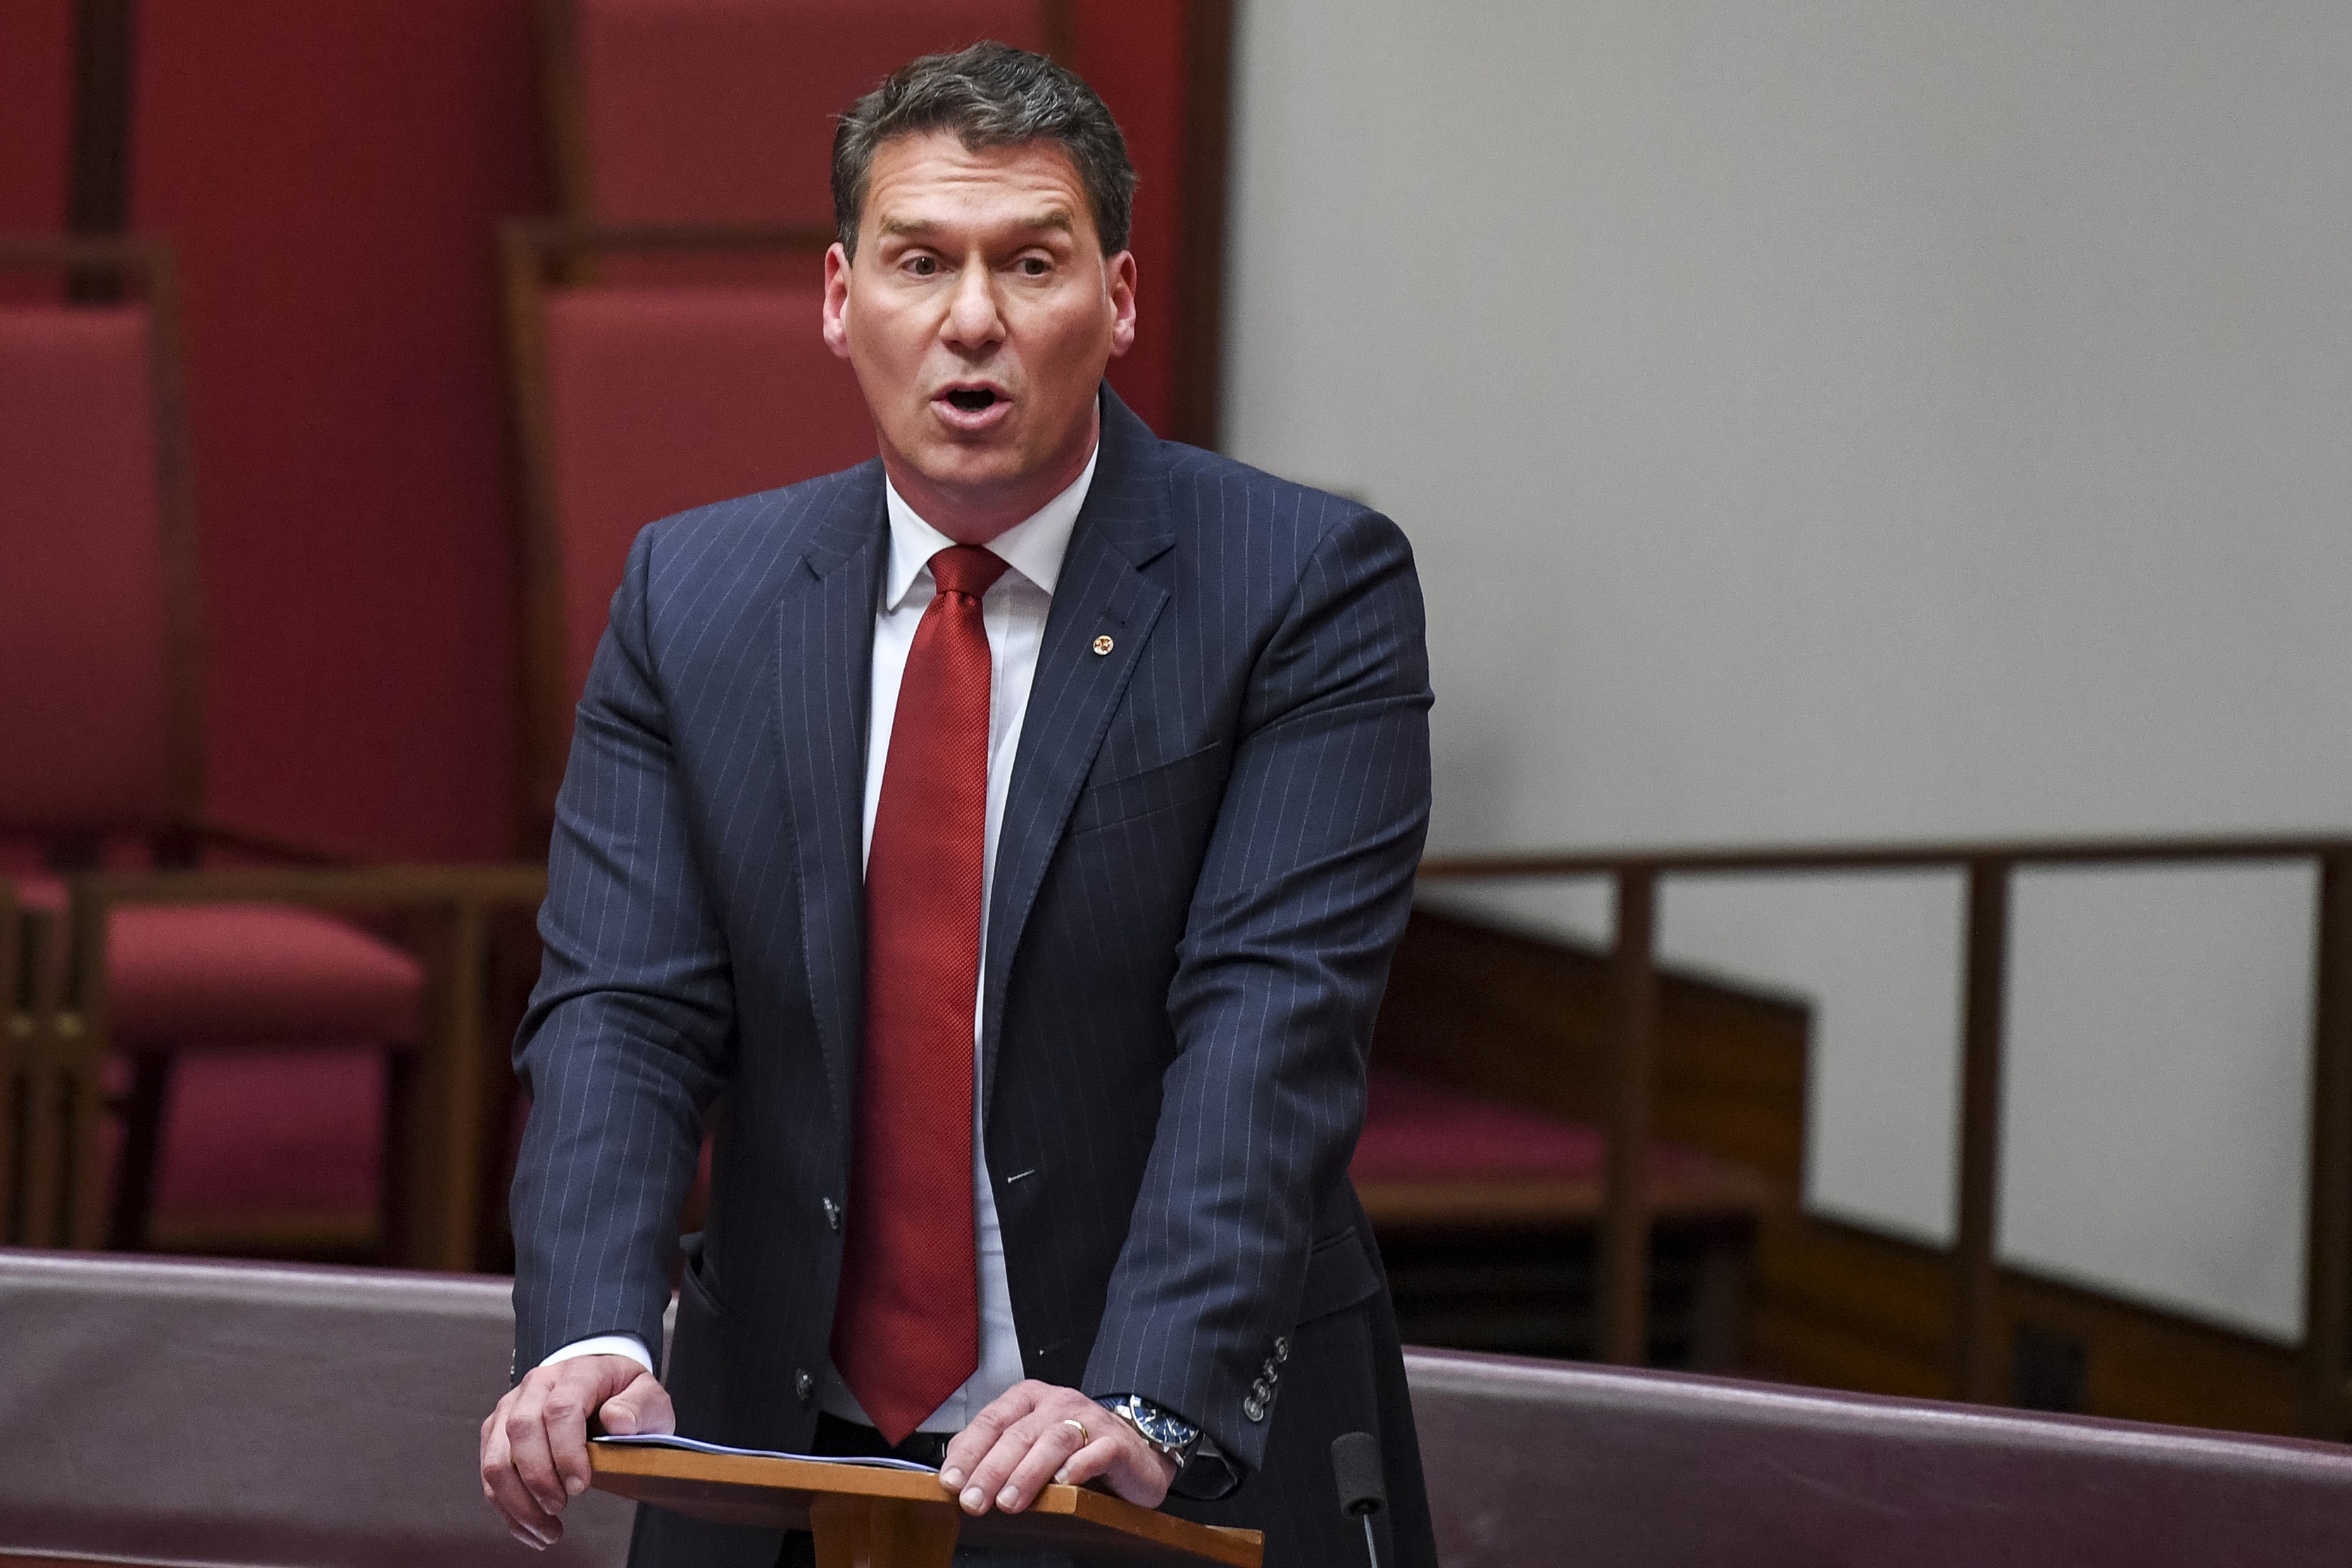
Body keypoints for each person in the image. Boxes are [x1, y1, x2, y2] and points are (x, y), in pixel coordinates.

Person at [479, 41, 1437, 1568]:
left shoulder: (1301, 588)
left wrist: (1148, 1387)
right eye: (919, 260)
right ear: (838, 297)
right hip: (776, 1444)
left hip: (1148, 1453)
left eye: (1031, 263)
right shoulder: (692, 594)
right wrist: (592, 1324)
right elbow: (622, 1005)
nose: (971, 317)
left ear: (1118, 300)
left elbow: (1273, 1019)